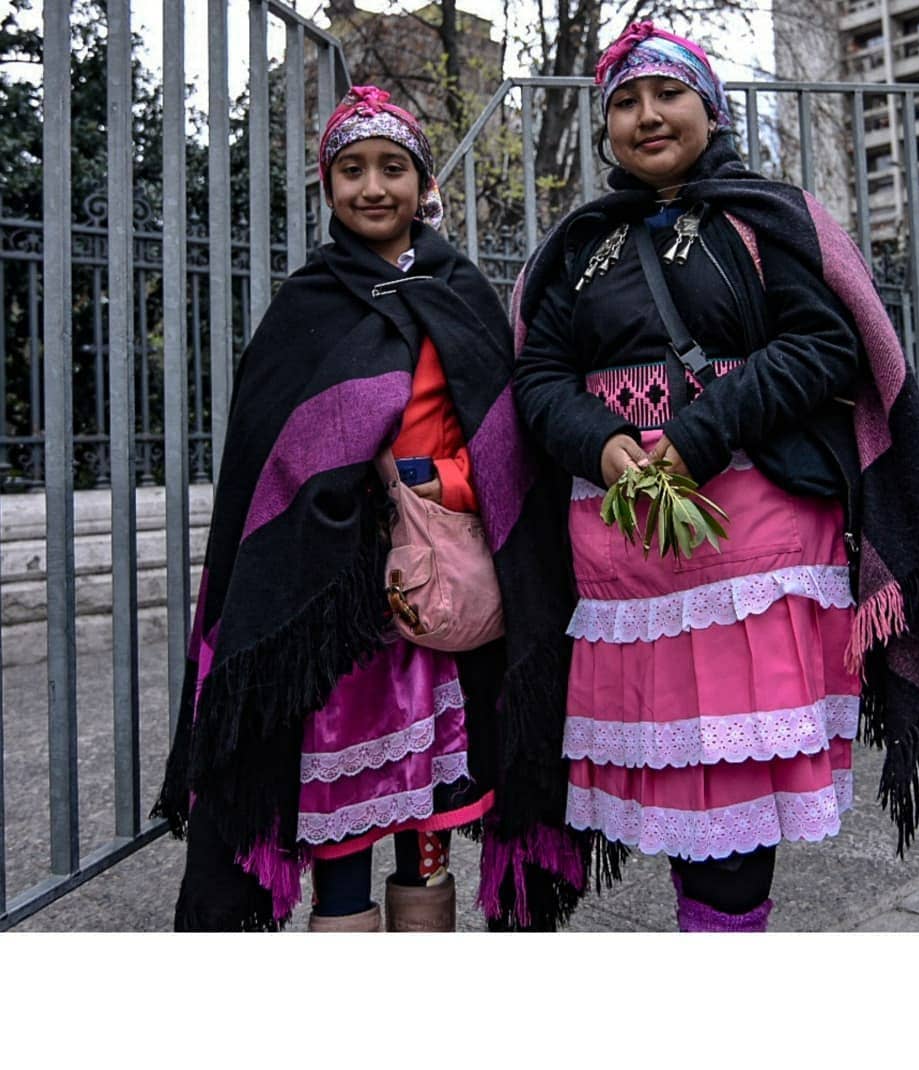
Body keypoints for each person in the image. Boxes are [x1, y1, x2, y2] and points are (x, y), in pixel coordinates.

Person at [512, 22, 919, 932]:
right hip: (624, 548)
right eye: (625, 103)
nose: (647, 116)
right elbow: (539, 377)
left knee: (730, 798)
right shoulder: (577, 250)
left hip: (750, 548)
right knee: (683, 788)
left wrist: (700, 433)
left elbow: (826, 343)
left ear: (709, 106)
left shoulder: (769, 220)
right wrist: (603, 444)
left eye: (666, 94)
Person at [154, 85, 607, 932]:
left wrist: (448, 484)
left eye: (392, 169)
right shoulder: (305, 305)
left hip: (446, 604)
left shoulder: (462, 294)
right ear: (328, 187)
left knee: (430, 810)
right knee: (346, 806)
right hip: (339, 614)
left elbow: (507, 444)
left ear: (422, 183)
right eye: (351, 170)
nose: (373, 188)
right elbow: (273, 455)